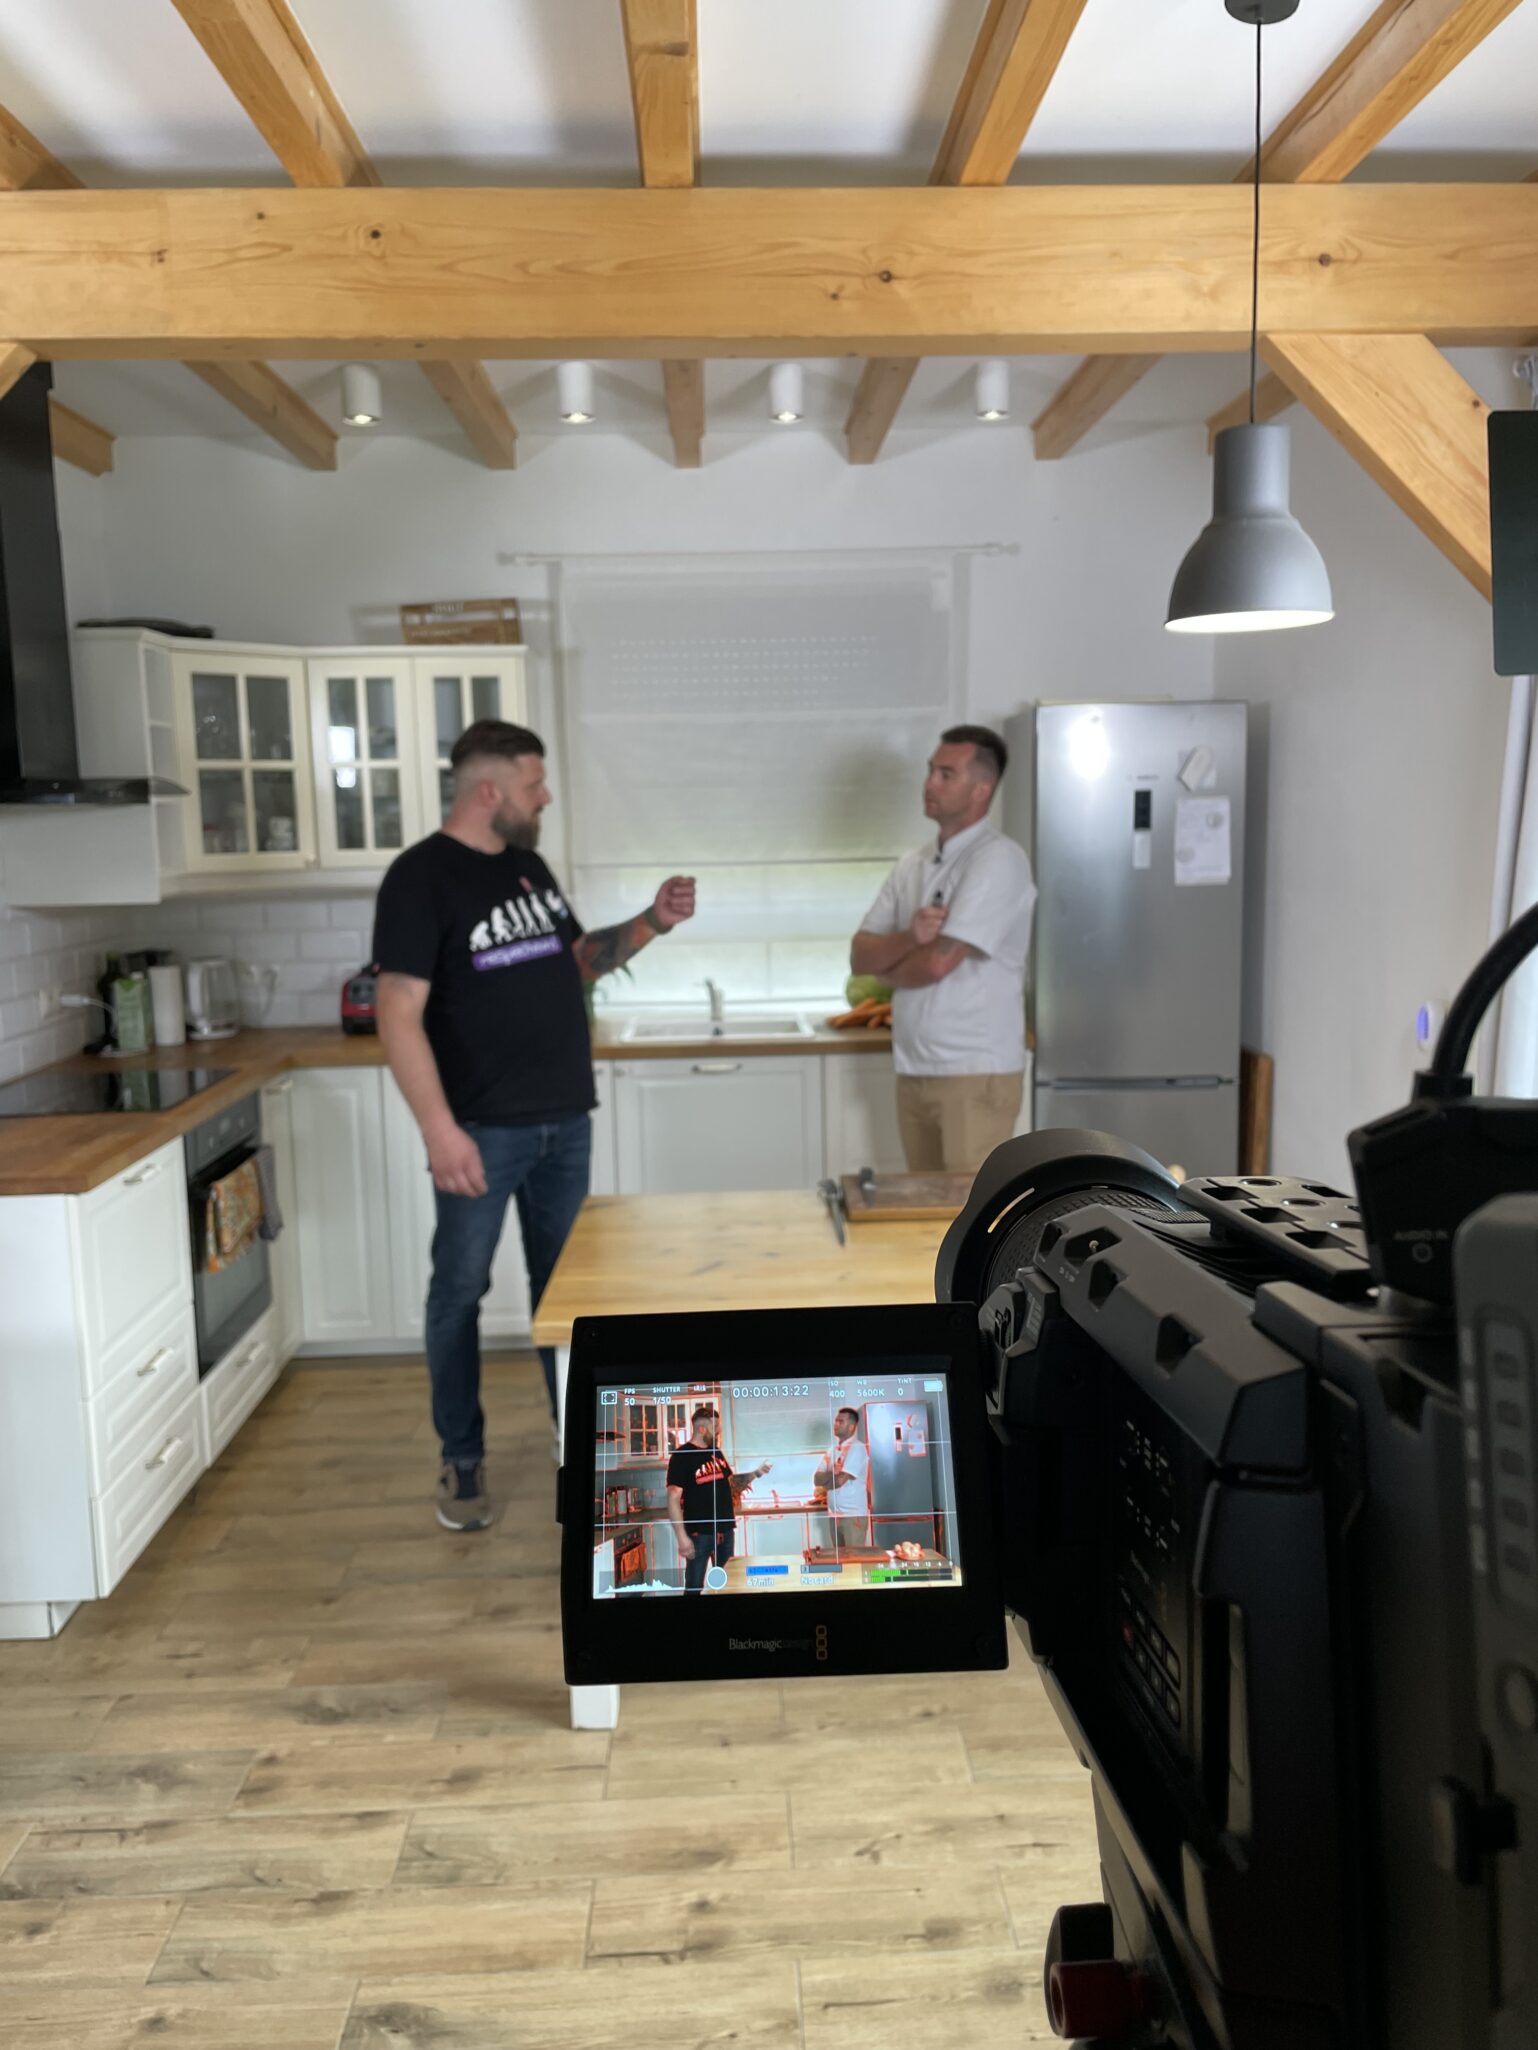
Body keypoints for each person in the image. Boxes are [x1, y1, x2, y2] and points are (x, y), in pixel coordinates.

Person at [373, 717, 696, 1532]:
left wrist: (653, 921)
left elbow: (577, 960)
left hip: (564, 1123)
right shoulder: (419, 878)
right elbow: (396, 1012)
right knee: (459, 1291)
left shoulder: (527, 869)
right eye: (533, 784)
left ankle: (576, 1454)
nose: (544, 797)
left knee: (567, 1294)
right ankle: (462, 1458)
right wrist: (439, 1131)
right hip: (481, 1130)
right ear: (491, 790)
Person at [850, 725, 1036, 1173]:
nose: (929, 783)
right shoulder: (911, 863)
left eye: (945, 774)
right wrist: (909, 939)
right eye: (930, 771)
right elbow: (860, 957)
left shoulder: (998, 860)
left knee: (968, 1209)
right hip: (915, 1068)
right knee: (923, 1209)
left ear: (981, 789)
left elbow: (937, 963)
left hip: (974, 1073)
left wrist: (889, 968)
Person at [666, 1405, 770, 1594]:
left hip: (725, 1531)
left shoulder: (715, 1451)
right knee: (694, 1587)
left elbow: (731, 1484)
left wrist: (756, 1473)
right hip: (700, 1535)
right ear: (702, 1429)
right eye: (714, 1427)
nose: (718, 1430)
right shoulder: (682, 1456)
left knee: (726, 1587)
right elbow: (673, 1498)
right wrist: (682, 1538)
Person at [813, 1405, 870, 1556]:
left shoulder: (857, 1448)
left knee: (854, 1561)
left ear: (851, 1427)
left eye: (841, 1422)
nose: (836, 1424)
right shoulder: (831, 1451)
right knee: (840, 1560)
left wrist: (827, 1479)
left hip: (853, 1517)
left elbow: (840, 1482)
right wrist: (833, 1473)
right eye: (836, 1421)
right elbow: (816, 1479)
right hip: (834, 1516)